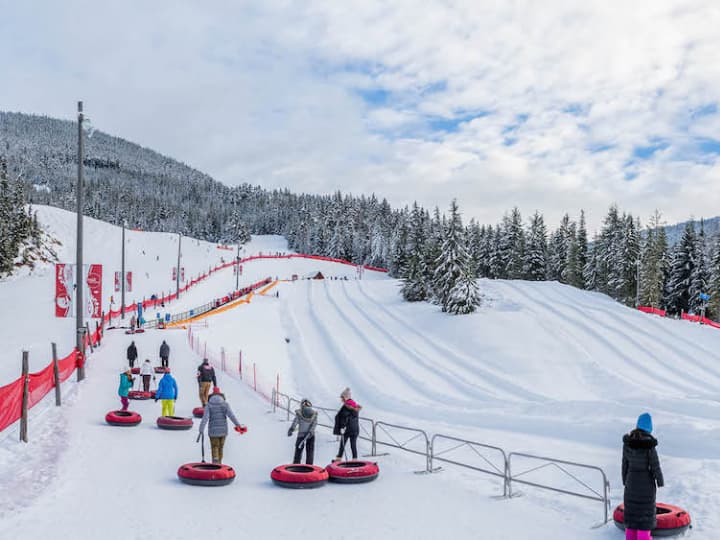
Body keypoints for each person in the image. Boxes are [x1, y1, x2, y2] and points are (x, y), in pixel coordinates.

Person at [622, 413, 664, 540]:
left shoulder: (627, 443)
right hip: (646, 485)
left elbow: (624, 464)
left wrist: (625, 480)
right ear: (649, 428)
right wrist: (660, 480)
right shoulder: (649, 446)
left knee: (632, 517)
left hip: (631, 483)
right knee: (644, 519)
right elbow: (655, 466)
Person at [199, 387, 245, 464]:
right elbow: (231, 415)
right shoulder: (225, 404)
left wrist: (201, 429)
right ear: (220, 394)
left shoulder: (209, 405)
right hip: (223, 431)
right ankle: (219, 464)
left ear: (212, 394)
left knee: (215, 447)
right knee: (220, 447)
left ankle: (215, 462)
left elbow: (205, 418)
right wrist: (238, 425)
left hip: (213, 431)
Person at [333, 387, 362, 461]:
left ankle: (339, 458)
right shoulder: (354, 405)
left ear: (345, 397)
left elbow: (344, 418)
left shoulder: (346, 406)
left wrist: (342, 427)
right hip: (355, 429)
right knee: (353, 445)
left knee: (342, 444)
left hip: (347, 429)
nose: (341, 399)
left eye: (342, 398)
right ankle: (355, 459)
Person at [288, 399, 318, 465]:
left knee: (298, 451)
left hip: (301, 434)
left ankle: (296, 465)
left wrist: (291, 429)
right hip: (311, 435)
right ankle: (309, 466)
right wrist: (310, 432)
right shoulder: (314, 414)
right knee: (310, 451)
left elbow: (295, 422)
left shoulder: (299, 413)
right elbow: (314, 424)